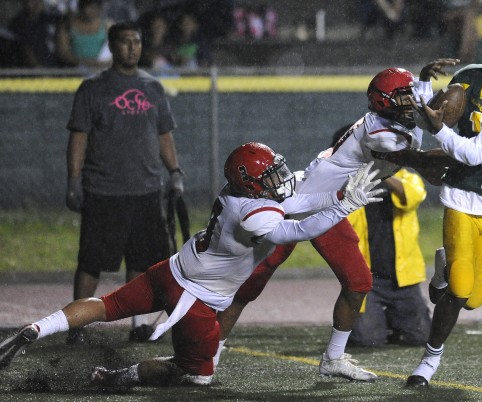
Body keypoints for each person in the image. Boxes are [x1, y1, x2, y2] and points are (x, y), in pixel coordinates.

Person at [0, 143, 384, 387]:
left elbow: (290, 197)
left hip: (172, 270)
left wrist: (329, 181)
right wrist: (347, 203)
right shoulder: (255, 214)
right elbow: (297, 228)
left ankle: (37, 327)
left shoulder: (236, 194)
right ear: (250, 184)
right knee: (197, 377)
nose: (278, 179)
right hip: (196, 299)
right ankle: (118, 378)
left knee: (106, 306)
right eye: (268, 176)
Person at [216, 61, 459, 382]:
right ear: (388, 102)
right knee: (249, 285)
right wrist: (467, 152)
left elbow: (424, 103)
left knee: (358, 281)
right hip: (299, 206)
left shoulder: (395, 114)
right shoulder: (380, 133)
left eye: (412, 93)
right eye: (406, 94)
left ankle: (333, 358)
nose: (414, 98)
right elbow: (418, 159)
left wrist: (426, 76)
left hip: (331, 207)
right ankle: (208, 354)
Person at [374, 25, 482, 387]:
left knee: (473, 300)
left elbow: (474, 151)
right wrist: (423, 85)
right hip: (460, 196)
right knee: (461, 287)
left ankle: (442, 270)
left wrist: (440, 132)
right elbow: (431, 118)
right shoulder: (468, 76)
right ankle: (429, 361)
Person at [64, 21, 185, 344]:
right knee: (91, 262)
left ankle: (138, 325)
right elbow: (79, 137)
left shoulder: (153, 88)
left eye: (137, 41)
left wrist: (174, 172)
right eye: (125, 42)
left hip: (146, 190)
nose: (132, 47)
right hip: (105, 190)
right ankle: (77, 326)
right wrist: (74, 180)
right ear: (113, 46)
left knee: (142, 262)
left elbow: (163, 135)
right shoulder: (93, 88)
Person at [322, 124, 432, 347]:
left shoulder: (398, 174)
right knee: (367, 340)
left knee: (420, 337)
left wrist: (379, 172)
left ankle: (394, 319)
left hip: (402, 275)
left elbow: (414, 195)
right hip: (367, 277)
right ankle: (375, 321)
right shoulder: (340, 183)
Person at [56, 0, 113, 68]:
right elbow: (63, 53)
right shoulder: (68, 26)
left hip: (100, 69)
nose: (89, 11)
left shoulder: (107, 26)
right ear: (80, 7)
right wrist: (85, 62)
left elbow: (116, 51)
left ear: (99, 8)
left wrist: (105, 63)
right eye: (87, 7)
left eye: (93, 7)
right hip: (74, 71)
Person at [8, 0, 62, 67]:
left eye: (39, 1)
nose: (36, 4)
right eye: (32, 1)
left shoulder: (49, 19)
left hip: (57, 68)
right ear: (24, 3)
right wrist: (39, 68)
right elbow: (25, 49)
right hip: (33, 71)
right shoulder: (19, 22)